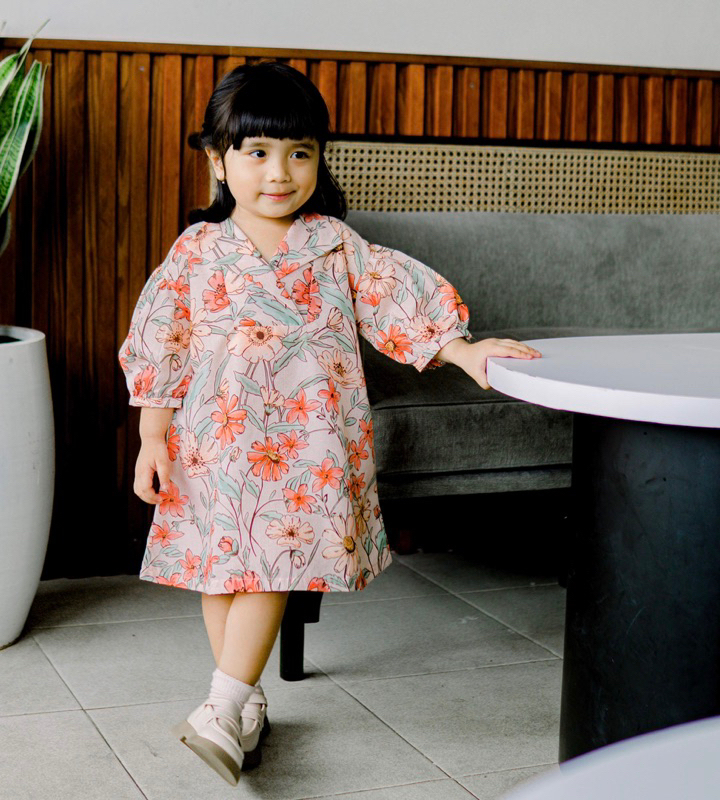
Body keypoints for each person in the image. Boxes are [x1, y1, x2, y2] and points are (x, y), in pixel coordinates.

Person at [117, 61, 540, 787]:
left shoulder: (336, 245)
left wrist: (463, 349)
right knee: (225, 570)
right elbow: (163, 342)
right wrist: (152, 439)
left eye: (300, 153)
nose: (279, 172)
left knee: (271, 562)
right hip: (216, 444)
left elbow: (395, 298)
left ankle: (221, 706)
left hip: (307, 447)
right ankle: (243, 705)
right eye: (257, 152)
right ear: (217, 160)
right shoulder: (196, 252)